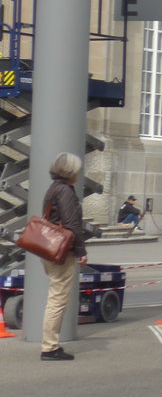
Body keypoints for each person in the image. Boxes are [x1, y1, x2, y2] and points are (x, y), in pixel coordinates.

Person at [40, 152, 88, 361]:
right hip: (61, 252)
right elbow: (71, 224)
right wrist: (81, 251)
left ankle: (50, 345)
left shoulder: (53, 189)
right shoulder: (66, 192)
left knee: (55, 297)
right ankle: (50, 347)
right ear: (71, 172)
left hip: (48, 249)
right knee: (57, 299)